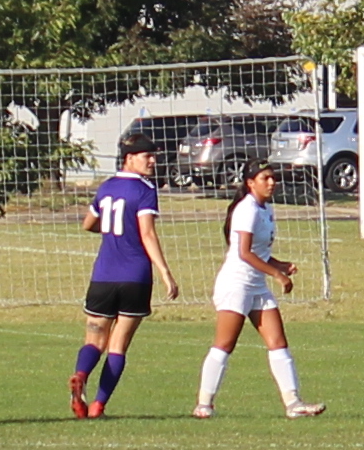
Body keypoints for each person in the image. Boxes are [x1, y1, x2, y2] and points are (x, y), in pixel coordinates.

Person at [195, 159, 319, 416]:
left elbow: (260, 254)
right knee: (224, 344)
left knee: (278, 342)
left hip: (256, 285)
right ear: (250, 183)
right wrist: (277, 275)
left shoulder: (266, 208)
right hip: (236, 284)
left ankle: (293, 404)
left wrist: (280, 265)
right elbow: (244, 253)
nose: (271, 183)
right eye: (265, 178)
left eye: (273, 178)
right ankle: (203, 404)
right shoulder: (247, 209)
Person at [72, 134, 176, 415]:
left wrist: (110, 229)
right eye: (147, 156)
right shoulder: (144, 190)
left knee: (94, 339)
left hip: (103, 275)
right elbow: (147, 233)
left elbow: (88, 224)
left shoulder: (106, 187)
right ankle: (97, 405)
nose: (153, 161)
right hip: (135, 276)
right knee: (117, 345)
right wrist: (165, 272)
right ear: (129, 158)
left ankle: (81, 375)